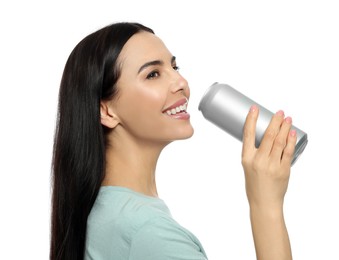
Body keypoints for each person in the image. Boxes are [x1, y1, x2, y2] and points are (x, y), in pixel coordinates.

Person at [50, 22, 297, 260]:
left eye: (175, 68)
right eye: (153, 74)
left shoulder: (106, 211)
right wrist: (266, 204)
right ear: (106, 111)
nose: (182, 83)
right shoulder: (147, 231)